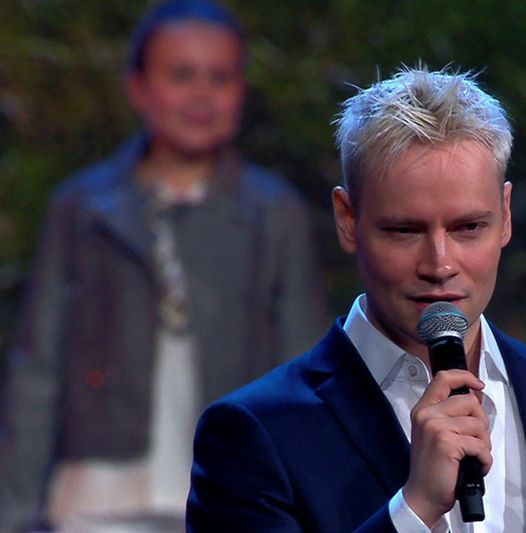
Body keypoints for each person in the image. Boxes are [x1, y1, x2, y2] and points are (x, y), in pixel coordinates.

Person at [186, 67, 526, 532]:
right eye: (404, 231)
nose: (440, 264)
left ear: (505, 216)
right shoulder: (256, 434)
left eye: (469, 227)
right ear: (347, 220)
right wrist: (414, 508)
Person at [0, 1, 325, 531]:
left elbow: (303, 366)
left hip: (232, 487)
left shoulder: (273, 213)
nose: (201, 95)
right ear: (138, 87)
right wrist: (13, 510)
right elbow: (39, 367)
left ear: (241, 90)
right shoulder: (83, 208)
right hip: (96, 494)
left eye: (220, 77)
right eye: (181, 75)